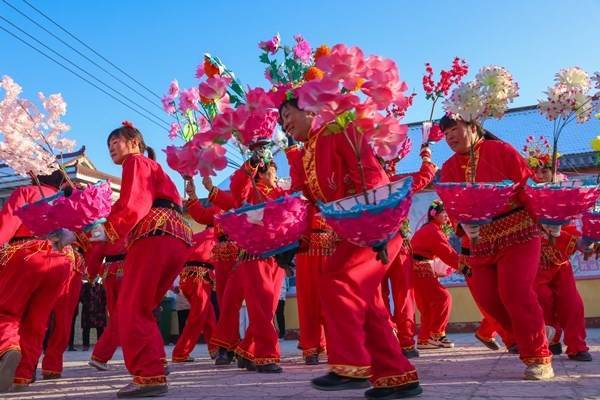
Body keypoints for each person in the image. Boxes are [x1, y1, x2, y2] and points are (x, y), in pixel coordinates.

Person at [280, 98, 422, 399]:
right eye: (281, 120)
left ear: (309, 109)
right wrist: (288, 239)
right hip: (353, 230)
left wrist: (379, 227)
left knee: (337, 278)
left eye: (287, 115)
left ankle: (350, 365)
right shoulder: (309, 150)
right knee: (366, 304)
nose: (284, 124)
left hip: (376, 221)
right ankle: (398, 376)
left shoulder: (338, 129)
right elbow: (309, 202)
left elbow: (370, 173)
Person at [438, 115, 553, 380]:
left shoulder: (501, 151)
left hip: (518, 232)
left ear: (474, 128)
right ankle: (529, 333)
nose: (451, 137)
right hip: (478, 240)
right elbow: (451, 203)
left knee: (515, 292)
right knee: (488, 299)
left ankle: (539, 356)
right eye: (446, 134)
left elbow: (527, 187)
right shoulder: (448, 167)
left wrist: (546, 217)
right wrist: (462, 225)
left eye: (455, 129)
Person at [92, 121, 193, 397]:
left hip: (154, 235)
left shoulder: (135, 163)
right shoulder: (153, 168)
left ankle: (149, 376)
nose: (112, 148)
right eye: (109, 145)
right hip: (176, 235)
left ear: (134, 142)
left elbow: (134, 204)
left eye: (116, 142)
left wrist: (105, 230)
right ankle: (155, 363)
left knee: (130, 307)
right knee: (143, 307)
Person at [0, 170, 73, 392]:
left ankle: (7, 348)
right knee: (37, 320)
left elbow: (7, 225)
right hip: (61, 259)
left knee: (6, 310)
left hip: (26, 253)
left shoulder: (26, 192)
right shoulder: (66, 203)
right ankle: (22, 376)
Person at [227, 157, 287, 373]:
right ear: (261, 173)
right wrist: (251, 165)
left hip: (277, 256)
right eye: (272, 171)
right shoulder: (251, 190)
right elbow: (237, 190)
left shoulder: (280, 194)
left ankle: (246, 350)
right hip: (254, 254)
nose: (276, 176)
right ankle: (266, 355)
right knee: (261, 305)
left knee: (268, 307)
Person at [380, 146, 437, 358]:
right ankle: (402, 341)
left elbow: (425, 176)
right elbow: (426, 173)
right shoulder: (398, 181)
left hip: (384, 244)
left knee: (390, 295)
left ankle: (396, 340)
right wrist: (426, 154)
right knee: (398, 295)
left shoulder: (375, 183)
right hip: (391, 244)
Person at [531, 166, 592, 362]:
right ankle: (552, 339)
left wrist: (585, 241)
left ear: (554, 173)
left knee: (573, 303)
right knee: (543, 301)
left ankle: (577, 346)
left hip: (561, 262)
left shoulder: (564, 196)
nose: (539, 176)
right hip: (535, 263)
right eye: (536, 172)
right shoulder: (527, 197)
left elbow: (570, 227)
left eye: (544, 171)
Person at [410, 200, 459, 349]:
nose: (446, 216)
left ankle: (425, 340)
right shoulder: (433, 231)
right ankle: (436, 334)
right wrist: (466, 265)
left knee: (427, 306)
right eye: (443, 213)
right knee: (443, 298)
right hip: (420, 268)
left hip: (416, 268)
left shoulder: (430, 229)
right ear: (434, 215)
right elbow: (448, 254)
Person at [171, 227, 219, 362]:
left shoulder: (196, 236)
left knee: (208, 316)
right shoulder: (214, 237)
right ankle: (180, 352)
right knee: (197, 318)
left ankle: (215, 349)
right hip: (200, 278)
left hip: (188, 278)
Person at [40, 240, 86, 379]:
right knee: (49, 319)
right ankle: (42, 365)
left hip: (61, 262)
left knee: (57, 320)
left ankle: (36, 365)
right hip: (47, 257)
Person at [87, 240, 127, 371]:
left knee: (117, 314)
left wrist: (91, 274)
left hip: (108, 273)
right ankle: (100, 355)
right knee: (124, 314)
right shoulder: (135, 224)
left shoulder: (108, 226)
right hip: (127, 270)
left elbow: (96, 253)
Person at [80, 279, 107, 351]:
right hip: (88, 311)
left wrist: (101, 305)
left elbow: (105, 297)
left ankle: (100, 346)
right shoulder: (85, 285)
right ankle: (85, 345)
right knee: (86, 329)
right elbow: (81, 297)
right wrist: (87, 304)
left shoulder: (101, 284)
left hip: (99, 311)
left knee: (100, 329)